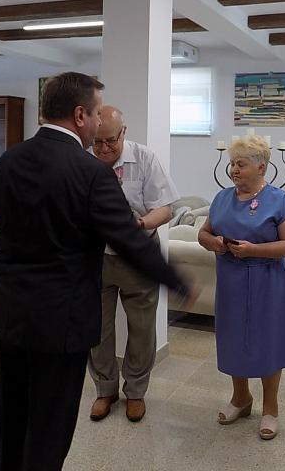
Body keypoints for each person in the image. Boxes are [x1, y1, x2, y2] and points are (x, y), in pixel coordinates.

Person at [0, 72, 196, 471]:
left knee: (11, 419)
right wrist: (177, 281)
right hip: (61, 321)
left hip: (11, 314)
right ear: (80, 115)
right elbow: (129, 239)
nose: (100, 124)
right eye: (98, 114)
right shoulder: (90, 172)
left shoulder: (9, 160)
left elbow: (7, 227)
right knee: (49, 428)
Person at [197, 135, 285, 441]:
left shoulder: (279, 200)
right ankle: (240, 398)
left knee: (268, 340)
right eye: (232, 164)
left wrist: (254, 250)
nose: (234, 170)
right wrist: (215, 242)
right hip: (231, 280)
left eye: (241, 164)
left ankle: (270, 408)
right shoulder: (221, 198)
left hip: (267, 281)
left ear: (261, 167)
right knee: (233, 339)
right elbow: (203, 234)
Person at [87, 106, 180, 423]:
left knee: (141, 329)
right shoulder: (84, 160)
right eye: (97, 142)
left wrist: (139, 225)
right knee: (97, 328)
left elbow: (165, 209)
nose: (103, 149)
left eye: (110, 141)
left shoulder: (144, 158)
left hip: (137, 255)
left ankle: (136, 391)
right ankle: (105, 389)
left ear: (123, 133)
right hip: (95, 257)